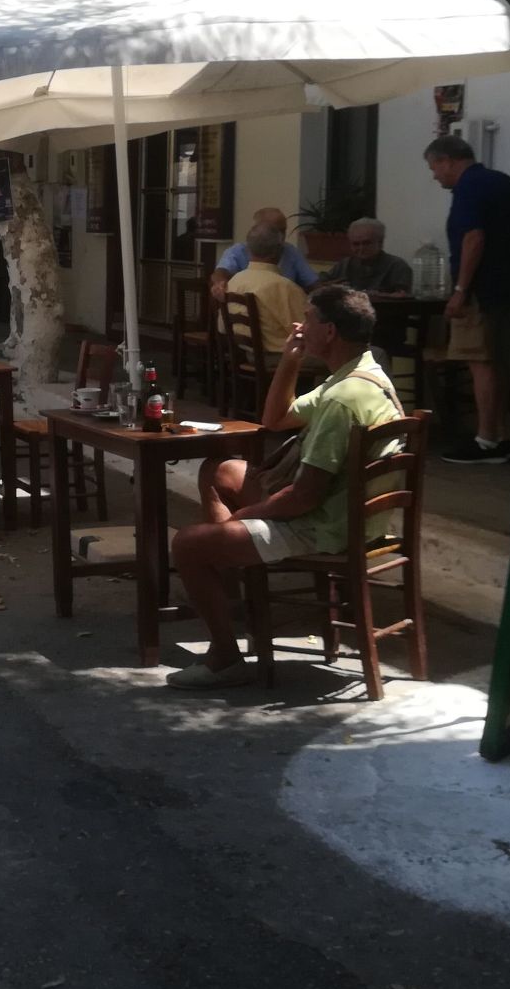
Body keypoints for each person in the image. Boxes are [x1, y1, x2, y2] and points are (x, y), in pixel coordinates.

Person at [165, 285, 404, 688]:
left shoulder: (342, 398)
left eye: (307, 318)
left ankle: (225, 656)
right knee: (221, 471)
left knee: (188, 545)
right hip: (348, 512)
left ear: (329, 331)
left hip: (327, 525)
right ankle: (229, 581)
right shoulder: (362, 374)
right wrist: (290, 361)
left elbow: (303, 497)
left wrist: (244, 517)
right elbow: (275, 419)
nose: (300, 325)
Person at [424, 135, 510, 463]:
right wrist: (503, 257)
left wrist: (461, 290)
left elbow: (473, 238)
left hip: (480, 291)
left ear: (448, 160)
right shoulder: (506, 184)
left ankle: (486, 440)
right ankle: (500, 436)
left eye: (434, 167)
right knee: (500, 360)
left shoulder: (468, 187)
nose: (435, 176)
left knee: (480, 361)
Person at [224, 223, 308, 357]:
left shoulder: (234, 281)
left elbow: (222, 327)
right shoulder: (284, 287)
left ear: (249, 249)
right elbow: (307, 332)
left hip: (246, 354)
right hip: (281, 358)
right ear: (279, 251)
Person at [210, 207, 319, 301]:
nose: (281, 236)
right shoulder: (238, 251)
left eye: (283, 230)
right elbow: (221, 272)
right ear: (258, 229)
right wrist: (220, 284)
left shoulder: (291, 251)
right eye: (275, 230)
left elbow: (313, 284)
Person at [320, 217, 412, 295]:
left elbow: (403, 298)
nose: (361, 248)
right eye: (356, 244)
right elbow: (320, 283)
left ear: (380, 243)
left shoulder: (397, 266)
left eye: (367, 243)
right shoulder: (344, 264)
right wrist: (331, 287)